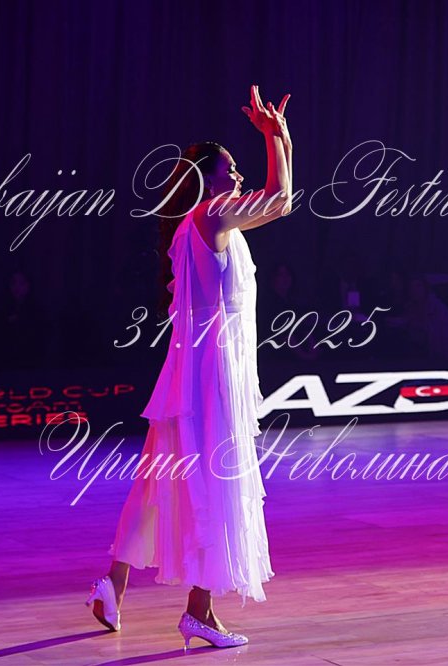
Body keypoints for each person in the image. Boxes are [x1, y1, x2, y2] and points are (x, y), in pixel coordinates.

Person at [86, 85, 293, 650]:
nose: (238, 177)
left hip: (189, 374)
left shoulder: (197, 224)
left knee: (157, 483)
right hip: (210, 378)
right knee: (214, 481)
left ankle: (112, 583)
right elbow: (281, 199)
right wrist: (277, 137)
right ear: (207, 181)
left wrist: (280, 141)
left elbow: (277, 201)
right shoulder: (212, 214)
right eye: (230, 170)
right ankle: (199, 613)